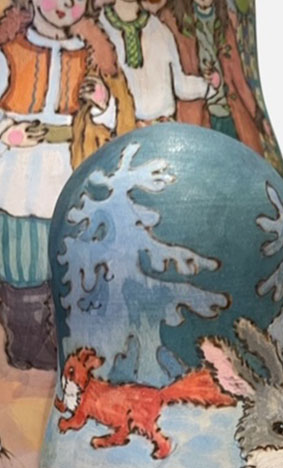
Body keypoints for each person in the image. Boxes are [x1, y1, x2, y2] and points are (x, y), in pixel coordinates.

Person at [0, 0, 134, 368]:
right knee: (23, 263)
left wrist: (103, 103)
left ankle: (60, 339)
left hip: (67, 166)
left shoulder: (89, 55)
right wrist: (8, 133)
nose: (65, 5)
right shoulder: (10, 51)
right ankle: (24, 344)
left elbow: (112, 121)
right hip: (19, 171)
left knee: (65, 259)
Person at [159, 0, 263, 152]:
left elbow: (239, 78)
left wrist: (258, 117)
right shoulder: (170, 20)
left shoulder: (224, 21)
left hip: (229, 116)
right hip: (195, 122)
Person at [97, 0, 217, 124]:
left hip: (164, 127)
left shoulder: (159, 29)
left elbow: (180, 85)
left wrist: (209, 85)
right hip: (123, 129)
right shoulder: (98, 28)